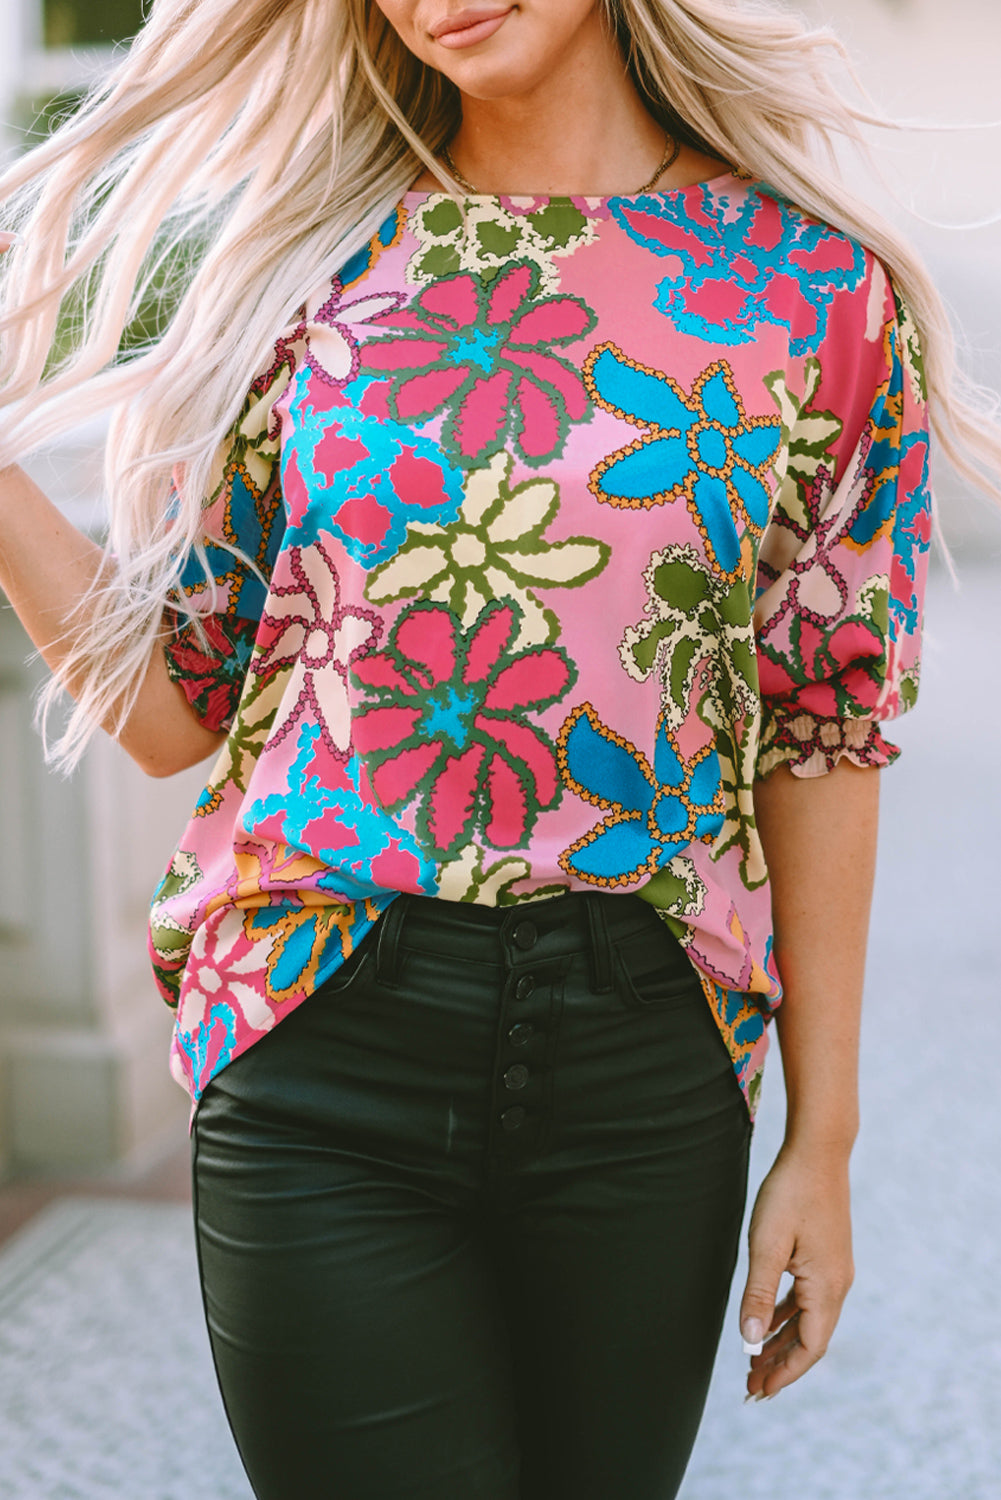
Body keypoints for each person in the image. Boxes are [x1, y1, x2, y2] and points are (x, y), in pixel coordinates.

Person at [0, 1, 997, 1496]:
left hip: (646, 1063)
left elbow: (823, 727)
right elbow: (174, 709)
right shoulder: (306, 271)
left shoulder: (813, 299)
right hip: (318, 1047)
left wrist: (820, 1139)